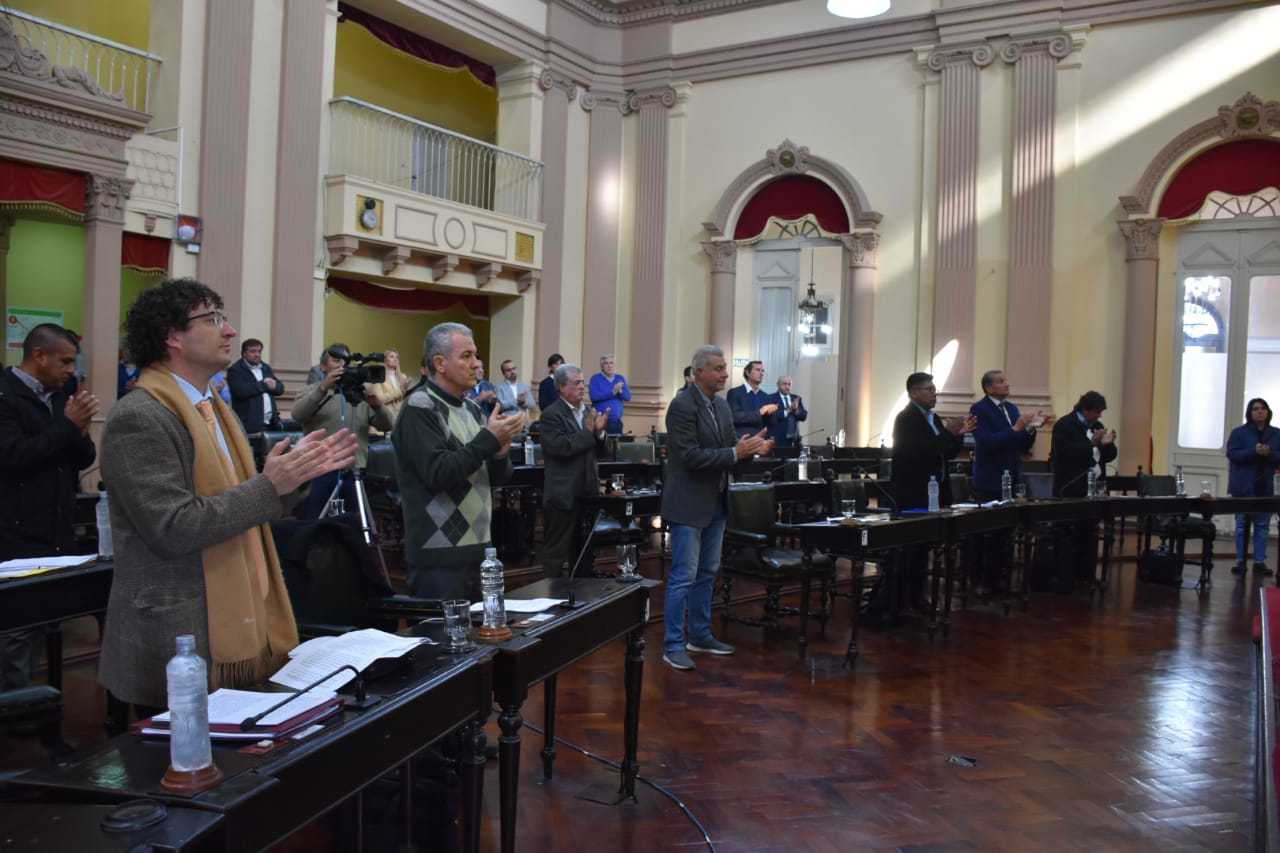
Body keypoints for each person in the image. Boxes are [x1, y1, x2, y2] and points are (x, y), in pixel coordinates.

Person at [99, 277, 356, 712]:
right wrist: (269, 485)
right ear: (172, 336)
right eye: (213, 319)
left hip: (242, 614)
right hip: (180, 633)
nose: (230, 330)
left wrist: (293, 478)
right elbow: (173, 527)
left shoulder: (217, 411)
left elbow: (249, 506)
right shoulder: (139, 416)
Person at [661, 344, 772, 671]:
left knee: (708, 571)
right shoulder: (682, 406)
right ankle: (673, 644)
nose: (725, 374)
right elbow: (690, 457)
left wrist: (752, 449)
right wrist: (736, 452)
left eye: (725, 368)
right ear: (699, 372)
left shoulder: (721, 406)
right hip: (688, 502)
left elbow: (729, 451)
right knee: (683, 575)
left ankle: (699, 634)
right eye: (719, 369)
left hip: (716, 501)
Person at [393, 322, 524, 599]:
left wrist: (499, 453)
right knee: (444, 628)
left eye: (475, 355)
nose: (476, 364)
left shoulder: (473, 409)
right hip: (439, 555)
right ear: (440, 363)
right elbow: (438, 473)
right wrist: (488, 440)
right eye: (466, 356)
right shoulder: (419, 406)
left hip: (480, 549)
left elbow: (493, 479)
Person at [0, 324, 99, 691]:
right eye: (65, 361)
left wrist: (79, 431)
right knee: (16, 633)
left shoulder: (60, 397)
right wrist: (67, 427)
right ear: (39, 356)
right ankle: (20, 713)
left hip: (55, 529)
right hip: (15, 533)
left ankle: (47, 707)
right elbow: (13, 457)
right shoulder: (6, 396)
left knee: (49, 626)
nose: (71, 370)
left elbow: (82, 458)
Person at [292, 343, 393, 518]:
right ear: (323, 367)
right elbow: (297, 415)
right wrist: (323, 388)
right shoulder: (311, 391)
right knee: (315, 521)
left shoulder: (360, 395)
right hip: (320, 469)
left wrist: (377, 405)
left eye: (344, 361)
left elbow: (387, 425)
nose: (341, 365)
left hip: (354, 471)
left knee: (356, 523)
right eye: (335, 360)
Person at [539, 363, 608, 576]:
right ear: (562, 387)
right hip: (563, 495)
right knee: (556, 554)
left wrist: (600, 433)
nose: (582, 387)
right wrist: (589, 432)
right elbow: (561, 448)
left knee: (585, 554)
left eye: (583, 382)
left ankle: (583, 593)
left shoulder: (588, 411)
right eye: (576, 383)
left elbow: (601, 452)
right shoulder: (551, 414)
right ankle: (551, 592)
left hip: (588, 493)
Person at [890, 372, 975, 509]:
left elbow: (947, 453)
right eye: (929, 390)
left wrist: (959, 434)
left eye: (934, 390)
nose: (934, 394)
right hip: (916, 491)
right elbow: (922, 451)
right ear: (914, 393)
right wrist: (949, 432)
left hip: (939, 491)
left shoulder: (934, 418)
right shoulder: (905, 418)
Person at [1227, 397, 1280, 576]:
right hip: (1243, 486)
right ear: (1249, 413)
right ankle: (1240, 561)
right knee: (1241, 524)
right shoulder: (1239, 432)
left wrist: (1269, 453)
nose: (1260, 411)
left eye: (1263, 408)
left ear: (1268, 412)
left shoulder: (1276, 433)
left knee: (1262, 526)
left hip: (1266, 487)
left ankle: (1259, 562)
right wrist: (1254, 451)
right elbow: (1232, 454)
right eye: (1255, 409)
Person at [969, 369, 1040, 500]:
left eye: (1006, 381)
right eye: (1001, 382)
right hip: (991, 479)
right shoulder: (979, 409)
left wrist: (1030, 428)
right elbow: (987, 442)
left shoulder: (1012, 408)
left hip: (1014, 476)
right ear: (988, 388)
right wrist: (1016, 428)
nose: (1007, 384)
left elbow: (1022, 444)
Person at [1049, 390, 1116, 498]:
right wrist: (1092, 443)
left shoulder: (1097, 425)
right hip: (1070, 490)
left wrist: (1108, 444)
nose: (1100, 416)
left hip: (1097, 489)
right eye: (1097, 412)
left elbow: (1109, 457)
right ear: (1085, 409)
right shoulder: (1064, 425)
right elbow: (1066, 453)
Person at [226, 338, 284, 434]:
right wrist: (264, 385)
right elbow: (241, 392)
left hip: (271, 423)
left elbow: (280, 389)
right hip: (249, 426)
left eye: (259, 351)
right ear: (244, 353)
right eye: (253, 351)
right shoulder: (236, 370)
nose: (257, 354)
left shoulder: (265, 368)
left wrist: (275, 386)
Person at [726, 360, 778, 438]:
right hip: (743, 440)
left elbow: (771, 423)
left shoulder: (766, 396)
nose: (761, 373)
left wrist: (772, 413)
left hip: (762, 441)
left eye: (762, 371)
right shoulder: (735, 393)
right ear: (747, 372)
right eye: (757, 370)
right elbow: (734, 417)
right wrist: (760, 412)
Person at [370, 348, 411, 431]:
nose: (395, 359)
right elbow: (379, 399)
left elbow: (403, 399)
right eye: (392, 356)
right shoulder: (378, 376)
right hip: (387, 417)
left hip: (401, 416)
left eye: (397, 357)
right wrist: (399, 391)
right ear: (385, 360)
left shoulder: (403, 377)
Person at [589, 354, 631, 435]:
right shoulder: (595, 379)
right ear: (602, 366)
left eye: (611, 363)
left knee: (615, 442)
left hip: (616, 421)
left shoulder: (620, 378)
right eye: (606, 363)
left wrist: (620, 391)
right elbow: (594, 397)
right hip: (600, 421)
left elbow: (628, 397)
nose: (609, 366)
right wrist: (612, 392)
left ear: (614, 365)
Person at [767, 375, 807, 448]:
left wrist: (796, 410)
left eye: (789, 384)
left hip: (794, 439)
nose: (787, 387)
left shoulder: (796, 398)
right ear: (778, 385)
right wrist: (789, 410)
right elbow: (771, 417)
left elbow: (803, 416)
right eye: (784, 384)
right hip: (778, 439)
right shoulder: (770, 398)